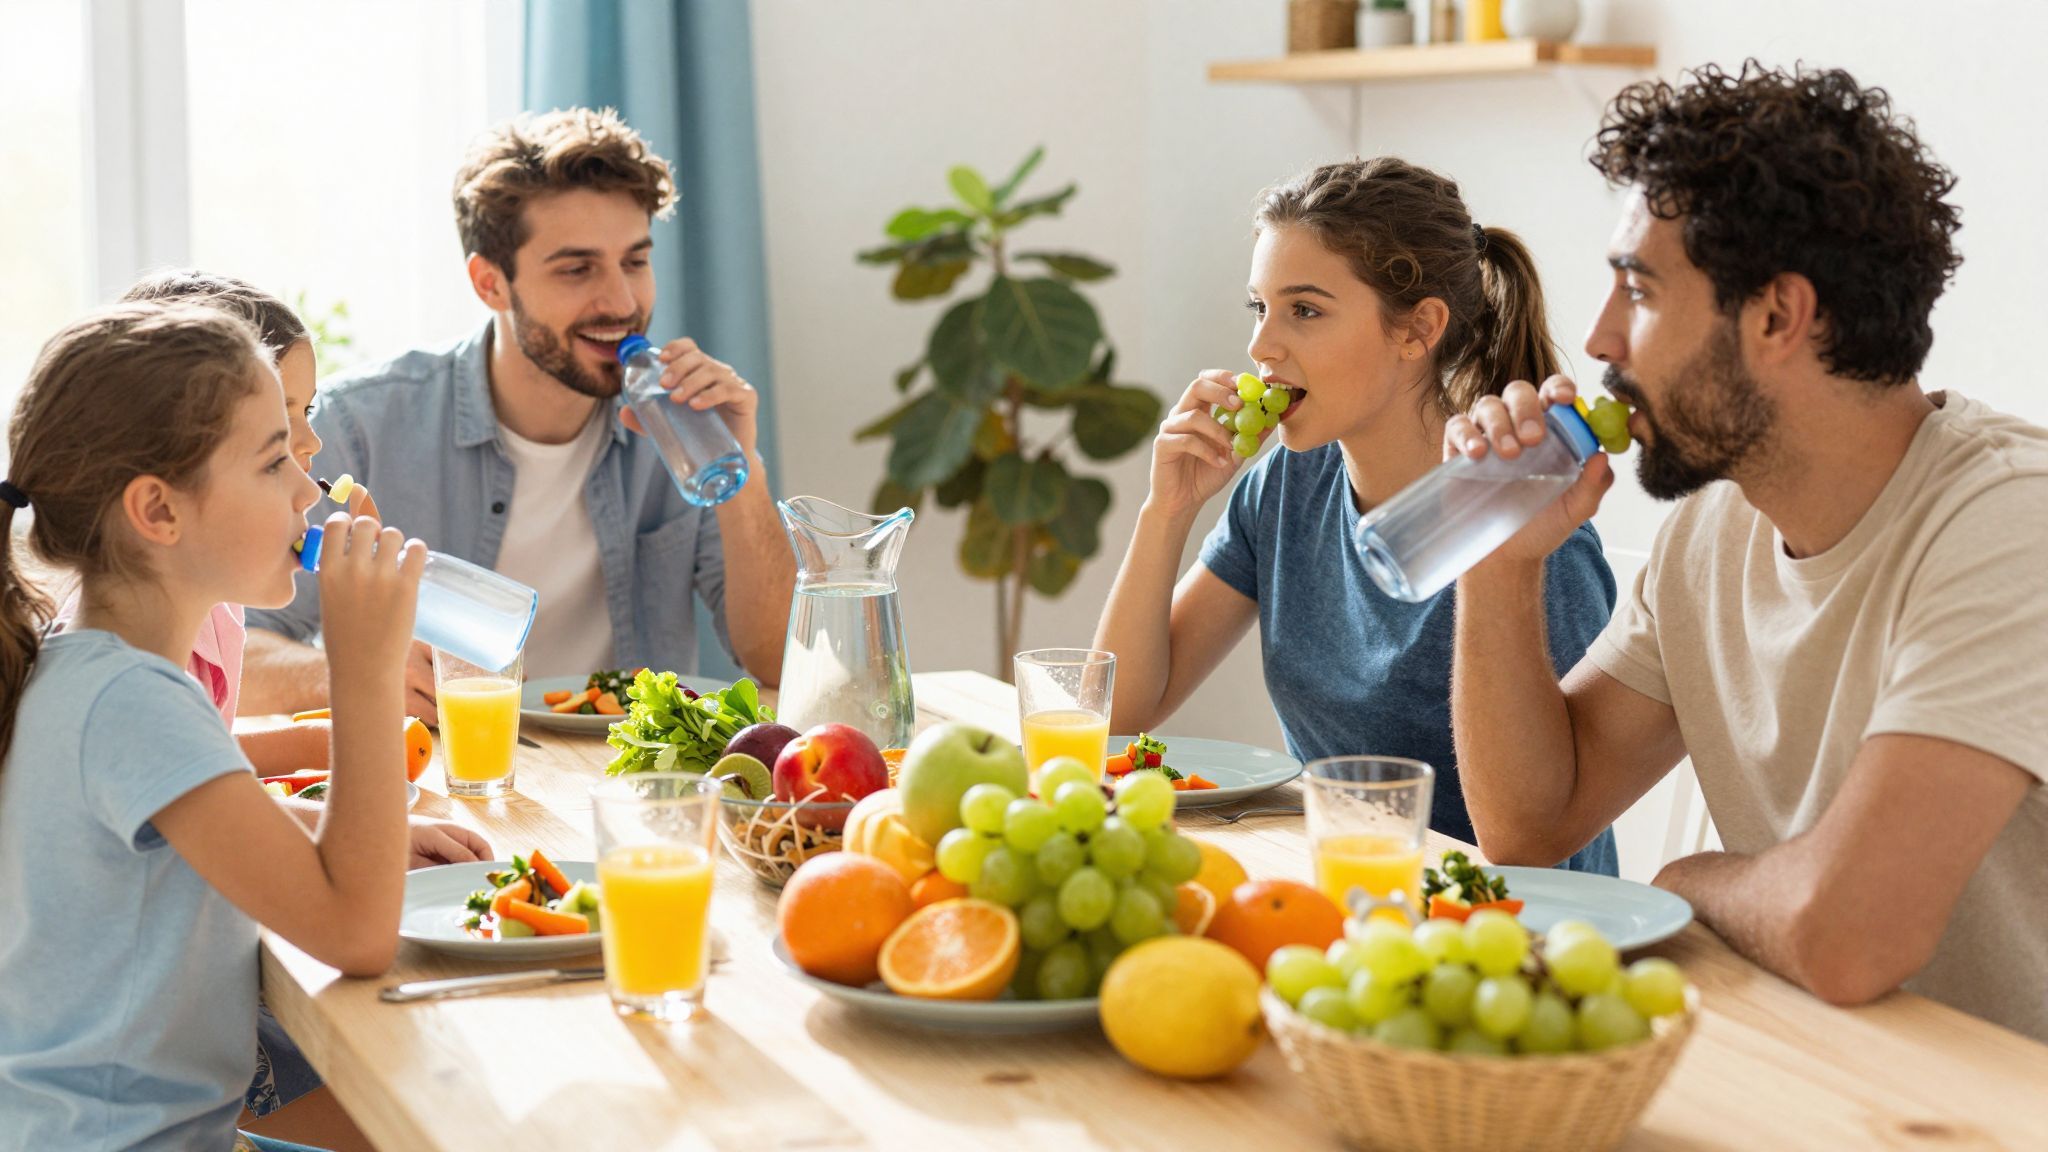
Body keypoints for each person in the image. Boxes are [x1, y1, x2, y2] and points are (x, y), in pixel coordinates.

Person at [1445, 62, 2048, 1041]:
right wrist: (1499, 564)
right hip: (1827, 1079)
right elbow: (1528, 821)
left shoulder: (2010, 525)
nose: (1597, 338)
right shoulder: (1709, 527)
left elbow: (1844, 938)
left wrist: (1689, 882)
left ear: (1776, 316)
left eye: (1636, 291)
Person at [1094, 157, 1619, 875]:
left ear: (1417, 329)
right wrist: (1167, 511)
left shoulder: (1533, 533)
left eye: (1304, 311)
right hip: (1345, 884)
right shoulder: (1287, 484)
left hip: (1509, 923)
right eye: (1260, 308)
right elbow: (1121, 714)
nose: (1260, 346)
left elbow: (1547, 835)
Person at [0, 302, 425, 1149]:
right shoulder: (130, 701)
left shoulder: (95, 672)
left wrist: (310, 820)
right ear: (158, 512)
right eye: (273, 462)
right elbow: (359, 934)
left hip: (163, 1130)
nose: (310, 490)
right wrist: (366, 670)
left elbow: (171, 843)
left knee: (443, 1120)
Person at [242, 107, 796, 720]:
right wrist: (345, 672)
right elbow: (231, 652)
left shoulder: (682, 430)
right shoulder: (356, 428)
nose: (621, 301)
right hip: (451, 779)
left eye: (635, 262)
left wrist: (740, 471)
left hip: (628, 777)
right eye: (577, 269)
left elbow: (778, 663)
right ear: (490, 284)